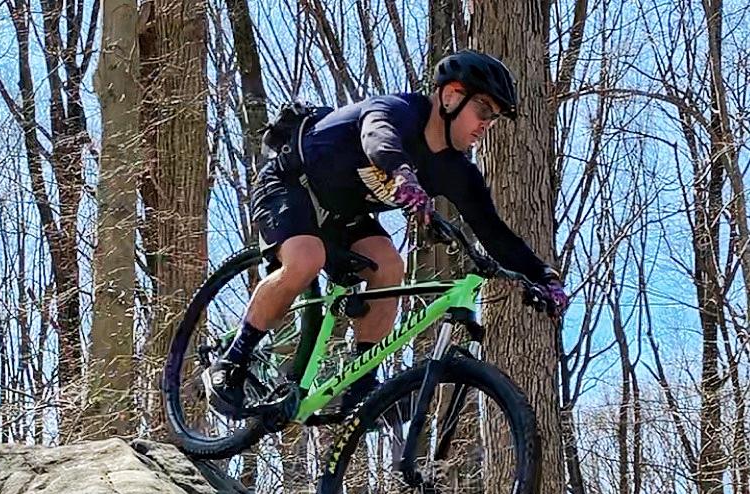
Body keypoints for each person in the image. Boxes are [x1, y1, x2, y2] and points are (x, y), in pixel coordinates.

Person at [208, 51, 569, 419]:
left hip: (344, 214)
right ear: (450, 96)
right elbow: (377, 137)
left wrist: (542, 276)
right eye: (484, 110)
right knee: (306, 259)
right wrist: (402, 174)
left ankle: (361, 387)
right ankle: (232, 360)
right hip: (291, 181)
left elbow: (494, 232)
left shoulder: (456, 170)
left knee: (389, 266)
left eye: (494, 118)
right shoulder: (398, 110)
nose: (486, 124)